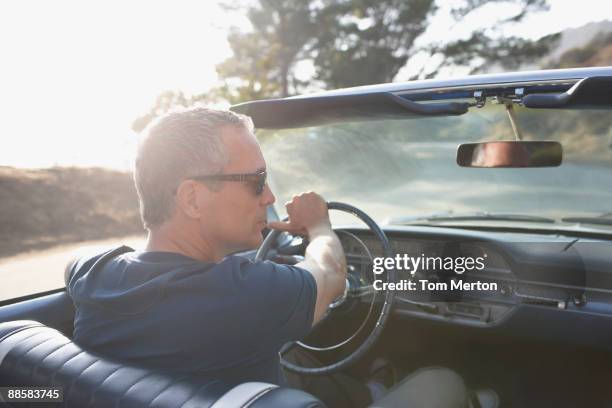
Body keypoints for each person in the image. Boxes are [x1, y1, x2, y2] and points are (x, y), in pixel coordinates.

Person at [67, 107, 493, 407]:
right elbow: (331, 273)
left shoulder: (93, 274)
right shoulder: (241, 294)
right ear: (192, 198)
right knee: (442, 383)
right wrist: (319, 226)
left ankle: (372, 391)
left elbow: (75, 267)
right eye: (256, 182)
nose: (269, 197)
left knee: (300, 359)